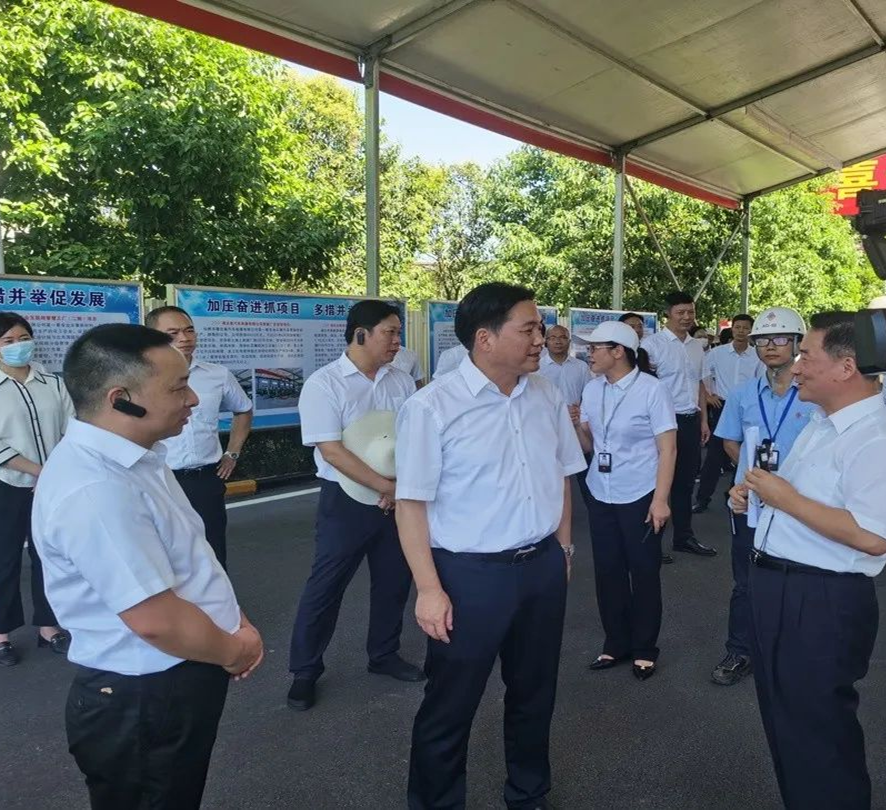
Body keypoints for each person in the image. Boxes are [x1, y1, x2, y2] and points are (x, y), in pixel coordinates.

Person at [31, 324, 264, 809]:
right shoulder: (96, 488)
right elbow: (155, 620)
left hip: (170, 679)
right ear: (122, 398)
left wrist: (230, 621)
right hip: (146, 695)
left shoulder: (137, 459)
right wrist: (232, 649)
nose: (194, 399)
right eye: (178, 387)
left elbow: (185, 561)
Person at [395, 282, 585, 809]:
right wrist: (428, 589)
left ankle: (528, 794)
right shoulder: (433, 408)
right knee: (450, 706)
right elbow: (411, 505)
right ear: (484, 338)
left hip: (542, 566)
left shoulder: (545, 394)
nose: (540, 339)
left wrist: (564, 551)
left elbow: (562, 475)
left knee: (533, 695)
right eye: (528, 329)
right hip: (470, 576)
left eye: (540, 328)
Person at [729, 312, 886, 809]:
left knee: (818, 736)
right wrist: (755, 498)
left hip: (819, 599)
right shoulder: (823, 424)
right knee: (787, 726)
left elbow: (874, 536)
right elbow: (804, 500)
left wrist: (785, 498)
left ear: (846, 367)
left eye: (807, 356)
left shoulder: (879, 439)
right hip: (781, 586)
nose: (796, 369)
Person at [286, 300, 422, 712]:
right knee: (326, 586)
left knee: (394, 580)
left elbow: (413, 438)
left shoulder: (401, 381)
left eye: (399, 333)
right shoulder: (325, 384)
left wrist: (400, 488)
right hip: (345, 501)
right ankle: (305, 671)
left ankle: (383, 654)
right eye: (390, 333)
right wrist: (385, 485)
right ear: (361, 333)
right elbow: (332, 451)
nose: (398, 342)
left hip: (396, 497)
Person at [709, 307, 815, 687]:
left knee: (799, 580)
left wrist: (784, 484)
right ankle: (740, 651)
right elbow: (730, 441)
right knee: (747, 582)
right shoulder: (743, 394)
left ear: (797, 343)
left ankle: (790, 654)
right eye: (762, 340)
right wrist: (756, 479)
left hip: (801, 505)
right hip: (749, 503)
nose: (770, 347)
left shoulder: (814, 394)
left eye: (780, 338)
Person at [575, 321, 676, 680]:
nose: (590, 353)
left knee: (644, 571)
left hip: (641, 492)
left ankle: (645, 648)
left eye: (596, 348)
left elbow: (667, 448)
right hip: (601, 492)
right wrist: (576, 426)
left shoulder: (651, 390)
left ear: (618, 351)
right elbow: (589, 446)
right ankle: (616, 642)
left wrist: (661, 500)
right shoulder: (592, 389)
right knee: (607, 571)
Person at [0, 312, 74, 665]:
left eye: (23, 337)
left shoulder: (53, 382)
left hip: (54, 483)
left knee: (50, 556)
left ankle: (48, 626)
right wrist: (40, 471)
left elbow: (74, 428)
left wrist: (55, 473)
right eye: (7, 341)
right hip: (5, 483)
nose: (17, 346)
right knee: (2, 559)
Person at [146, 306, 253, 571]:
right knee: (163, 555)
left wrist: (233, 452)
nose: (184, 338)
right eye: (173, 333)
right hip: (159, 479)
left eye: (189, 330)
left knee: (212, 552)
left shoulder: (217, 374)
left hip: (206, 478)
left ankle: (219, 611)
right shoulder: (141, 378)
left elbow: (244, 409)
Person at [641, 292, 715, 558]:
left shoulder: (697, 346)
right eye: (680, 312)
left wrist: (704, 420)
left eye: (690, 312)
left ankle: (684, 537)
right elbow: (645, 387)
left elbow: (699, 384)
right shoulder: (652, 345)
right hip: (661, 425)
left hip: (690, 420)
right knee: (655, 483)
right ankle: (653, 543)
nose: (686, 317)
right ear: (668, 314)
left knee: (684, 484)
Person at [695, 313, 761, 514]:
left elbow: (760, 382)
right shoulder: (718, 353)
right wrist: (708, 395)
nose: (741, 331)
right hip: (722, 406)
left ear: (751, 331)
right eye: (738, 327)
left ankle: (734, 493)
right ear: (732, 329)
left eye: (745, 328)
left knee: (745, 454)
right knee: (714, 456)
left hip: (748, 408)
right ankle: (702, 499)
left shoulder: (757, 355)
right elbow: (703, 375)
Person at [538, 325, 592, 408]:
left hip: (574, 418)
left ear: (569, 341)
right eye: (552, 338)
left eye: (563, 337)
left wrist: (581, 412)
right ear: (546, 342)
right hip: (545, 418)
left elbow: (589, 397)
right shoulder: (537, 367)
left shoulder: (581, 367)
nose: (558, 341)